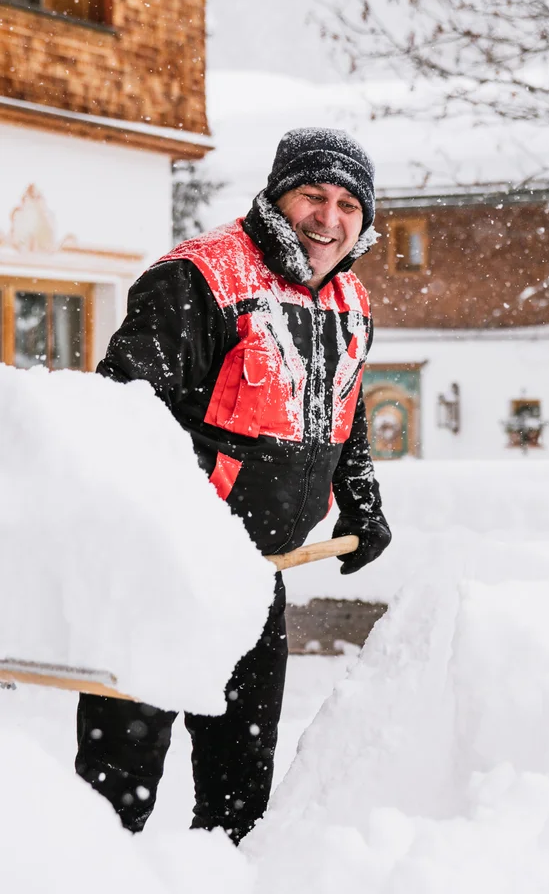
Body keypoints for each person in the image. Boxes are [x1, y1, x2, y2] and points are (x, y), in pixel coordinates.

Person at [75, 127, 392, 843]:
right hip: (161, 578)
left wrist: (360, 494)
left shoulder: (349, 301)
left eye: (348, 203)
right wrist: (173, 533)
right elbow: (121, 414)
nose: (329, 218)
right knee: (114, 797)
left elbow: (346, 401)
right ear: (279, 195)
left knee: (240, 793)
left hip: (255, 579)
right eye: (313, 194)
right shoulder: (198, 279)